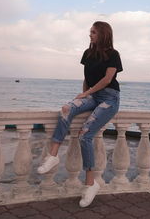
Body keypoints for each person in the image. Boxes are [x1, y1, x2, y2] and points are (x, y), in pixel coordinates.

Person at [37, 21, 123, 207]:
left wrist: (86, 93)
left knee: (85, 134)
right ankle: (53, 156)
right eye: (90, 32)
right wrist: (83, 98)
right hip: (92, 95)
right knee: (67, 108)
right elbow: (87, 78)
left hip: (109, 98)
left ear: (103, 34)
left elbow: (108, 79)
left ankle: (90, 184)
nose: (90, 35)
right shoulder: (88, 53)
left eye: (93, 32)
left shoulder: (113, 55)